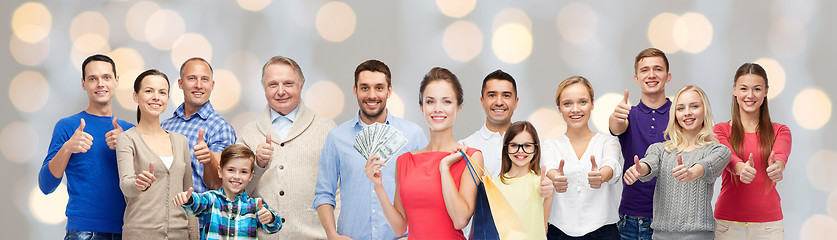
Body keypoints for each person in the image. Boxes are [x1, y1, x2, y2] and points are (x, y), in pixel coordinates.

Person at [365, 67, 485, 239]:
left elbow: (460, 220)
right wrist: (378, 187)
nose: (438, 109)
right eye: (430, 101)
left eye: (446, 102)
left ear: (458, 108)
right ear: (422, 108)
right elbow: (400, 228)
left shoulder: (471, 158)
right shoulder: (404, 161)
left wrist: (444, 167)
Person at [313, 60, 427, 239]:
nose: (372, 95)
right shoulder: (337, 138)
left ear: (389, 91)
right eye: (365, 88)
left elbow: (426, 194)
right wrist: (332, 235)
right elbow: (323, 194)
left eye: (379, 88)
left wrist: (415, 234)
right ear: (355, 90)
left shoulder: (413, 135)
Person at [238, 56, 337, 239]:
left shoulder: (326, 128)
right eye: (273, 84)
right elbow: (235, 193)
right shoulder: (249, 133)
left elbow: (340, 189)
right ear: (264, 88)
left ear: (301, 84)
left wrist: (335, 234)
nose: (281, 91)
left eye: (288, 83)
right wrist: (258, 166)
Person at [38, 54, 134, 239]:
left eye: (106, 77)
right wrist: (67, 148)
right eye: (92, 79)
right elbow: (46, 185)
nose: (100, 84)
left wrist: (126, 145)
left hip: (127, 230)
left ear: (116, 81)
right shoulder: (67, 126)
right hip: (83, 232)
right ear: (83, 84)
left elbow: (144, 185)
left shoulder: (130, 131)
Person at [623, 85, 731, 239]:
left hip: (698, 236)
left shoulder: (718, 150)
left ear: (704, 110)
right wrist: (640, 169)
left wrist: (692, 172)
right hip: (661, 235)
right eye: (681, 108)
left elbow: (707, 165)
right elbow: (650, 163)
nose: (687, 112)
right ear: (675, 114)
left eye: (694, 106)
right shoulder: (660, 149)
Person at [713, 63, 791, 239]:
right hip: (727, 225)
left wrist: (778, 167)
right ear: (734, 91)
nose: (750, 95)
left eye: (757, 89)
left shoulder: (780, 131)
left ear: (766, 91)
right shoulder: (720, 130)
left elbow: (780, 155)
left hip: (769, 227)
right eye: (743, 88)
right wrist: (740, 168)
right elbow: (728, 156)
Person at [116, 69, 195, 239]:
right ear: (136, 96)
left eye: (162, 92)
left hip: (179, 234)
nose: (156, 97)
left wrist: (194, 235)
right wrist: (137, 184)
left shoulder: (181, 141)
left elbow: (189, 195)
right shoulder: (127, 139)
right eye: (149, 91)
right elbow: (125, 184)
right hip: (140, 233)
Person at [544, 76, 622, 239]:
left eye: (582, 102)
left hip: (603, 232)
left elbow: (612, 165)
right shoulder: (549, 145)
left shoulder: (608, 141)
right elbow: (549, 168)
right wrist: (555, 177)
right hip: (559, 233)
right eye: (567, 103)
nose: (575, 109)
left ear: (592, 104)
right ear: (559, 107)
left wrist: (602, 175)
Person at [608, 48, 673, 240]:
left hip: (669, 219)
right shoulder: (627, 114)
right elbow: (617, 126)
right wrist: (616, 117)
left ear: (668, 76)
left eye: (657, 69)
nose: (651, 75)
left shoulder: (680, 115)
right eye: (645, 70)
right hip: (629, 219)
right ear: (636, 78)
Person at [174, 144, 282, 239]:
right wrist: (188, 199)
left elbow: (275, 226)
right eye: (231, 170)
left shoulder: (256, 206)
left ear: (250, 176)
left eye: (243, 172)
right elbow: (198, 203)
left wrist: (270, 218)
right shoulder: (212, 199)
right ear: (220, 172)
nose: (237, 176)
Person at [161, 57, 236, 192]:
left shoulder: (221, 129)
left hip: (195, 212)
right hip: (162, 210)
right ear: (180, 83)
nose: (199, 85)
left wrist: (209, 159)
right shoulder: (165, 126)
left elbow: (218, 184)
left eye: (205, 79)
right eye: (192, 78)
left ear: (212, 85)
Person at [496, 121, 553, 240]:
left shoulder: (541, 184)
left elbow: (544, 225)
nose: (520, 150)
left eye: (527, 146)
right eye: (514, 145)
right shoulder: (493, 185)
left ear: (536, 149)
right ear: (506, 149)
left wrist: (548, 191)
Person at [461, 69, 519, 177]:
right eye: (492, 95)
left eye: (506, 95)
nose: (499, 102)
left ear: (515, 102)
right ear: (482, 102)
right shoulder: (465, 146)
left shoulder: (532, 144)